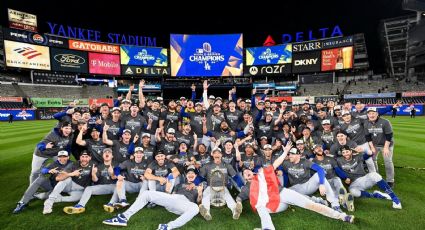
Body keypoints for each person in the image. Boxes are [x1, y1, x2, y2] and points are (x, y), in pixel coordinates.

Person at [236, 142, 354, 230]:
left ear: (253, 172)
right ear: (245, 178)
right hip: (273, 206)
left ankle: (341, 216)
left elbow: (276, 163)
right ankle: (267, 228)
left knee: (311, 205)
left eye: (248, 171)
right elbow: (240, 197)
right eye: (245, 174)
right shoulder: (247, 188)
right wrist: (239, 203)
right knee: (260, 207)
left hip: (281, 194)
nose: (247, 173)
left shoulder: (262, 174)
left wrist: (286, 152)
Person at [102, 165, 202, 229]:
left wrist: (200, 192)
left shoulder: (198, 186)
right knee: (146, 193)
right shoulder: (179, 185)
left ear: (196, 176)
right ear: (186, 175)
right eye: (189, 173)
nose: (191, 174)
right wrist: (167, 189)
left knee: (195, 208)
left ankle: (168, 227)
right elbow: (169, 196)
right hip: (174, 199)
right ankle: (124, 217)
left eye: (193, 173)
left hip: (185, 204)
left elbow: (198, 201)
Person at [336, 145, 402, 210]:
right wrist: (345, 177)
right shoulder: (339, 160)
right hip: (353, 184)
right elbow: (335, 168)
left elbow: (370, 154)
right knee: (353, 192)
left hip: (364, 179)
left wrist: (364, 149)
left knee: (375, 175)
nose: (345, 154)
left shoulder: (357, 156)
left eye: (347, 152)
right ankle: (375, 195)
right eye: (343, 153)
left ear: (351, 151)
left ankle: (395, 199)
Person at [364, 107, 395, 188]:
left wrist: (386, 147)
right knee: (373, 160)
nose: (371, 115)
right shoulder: (366, 123)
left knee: (388, 162)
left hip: (386, 144)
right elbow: (368, 137)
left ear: (377, 114)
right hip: (375, 145)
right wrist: (372, 147)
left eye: (373, 113)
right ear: (367, 114)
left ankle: (390, 180)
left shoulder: (385, 122)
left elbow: (389, 135)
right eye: (369, 113)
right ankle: (376, 177)